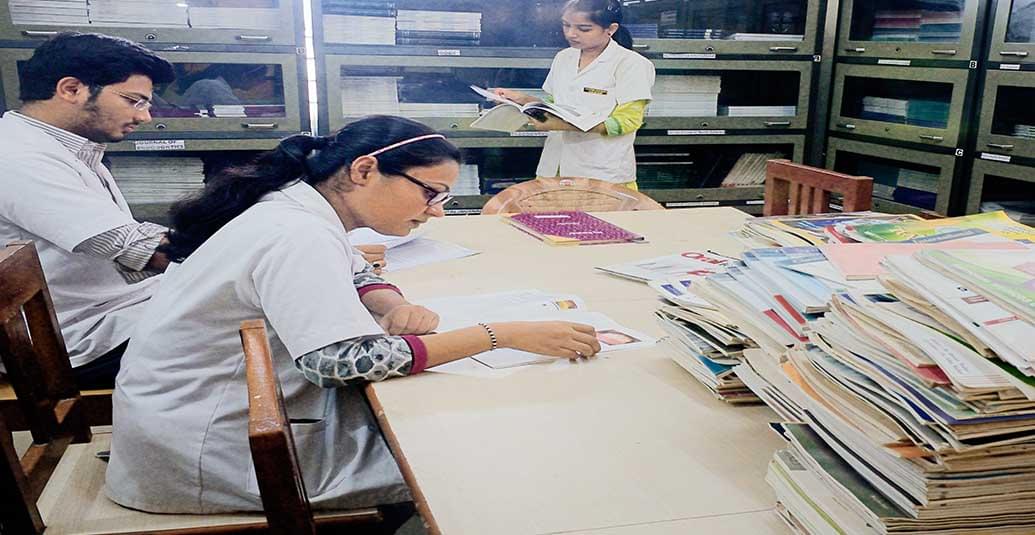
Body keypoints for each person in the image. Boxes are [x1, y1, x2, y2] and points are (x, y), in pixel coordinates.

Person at [106, 115, 601, 521]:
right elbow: (341, 363)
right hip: (209, 450)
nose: (437, 212)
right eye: (430, 193)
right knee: (480, 459)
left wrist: (390, 303)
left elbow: (358, 269)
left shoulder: (299, 206)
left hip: (194, 417)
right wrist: (499, 335)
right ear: (364, 170)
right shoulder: (297, 233)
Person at [0, 33, 175, 389]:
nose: (144, 117)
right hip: (77, 342)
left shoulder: (63, 149)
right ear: (71, 89)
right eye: (134, 101)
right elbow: (141, 249)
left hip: (116, 313)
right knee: (269, 333)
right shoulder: (16, 156)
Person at [495, 0, 655, 189]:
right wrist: (524, 100)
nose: (571, 33)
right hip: (554, 169)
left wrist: (562, 125)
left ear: (610, 29)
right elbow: (557, 105)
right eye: (566, 25)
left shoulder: (631, 64)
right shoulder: (564, 57)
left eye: (584, 28)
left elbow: (628, 121)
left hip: (603, 174)